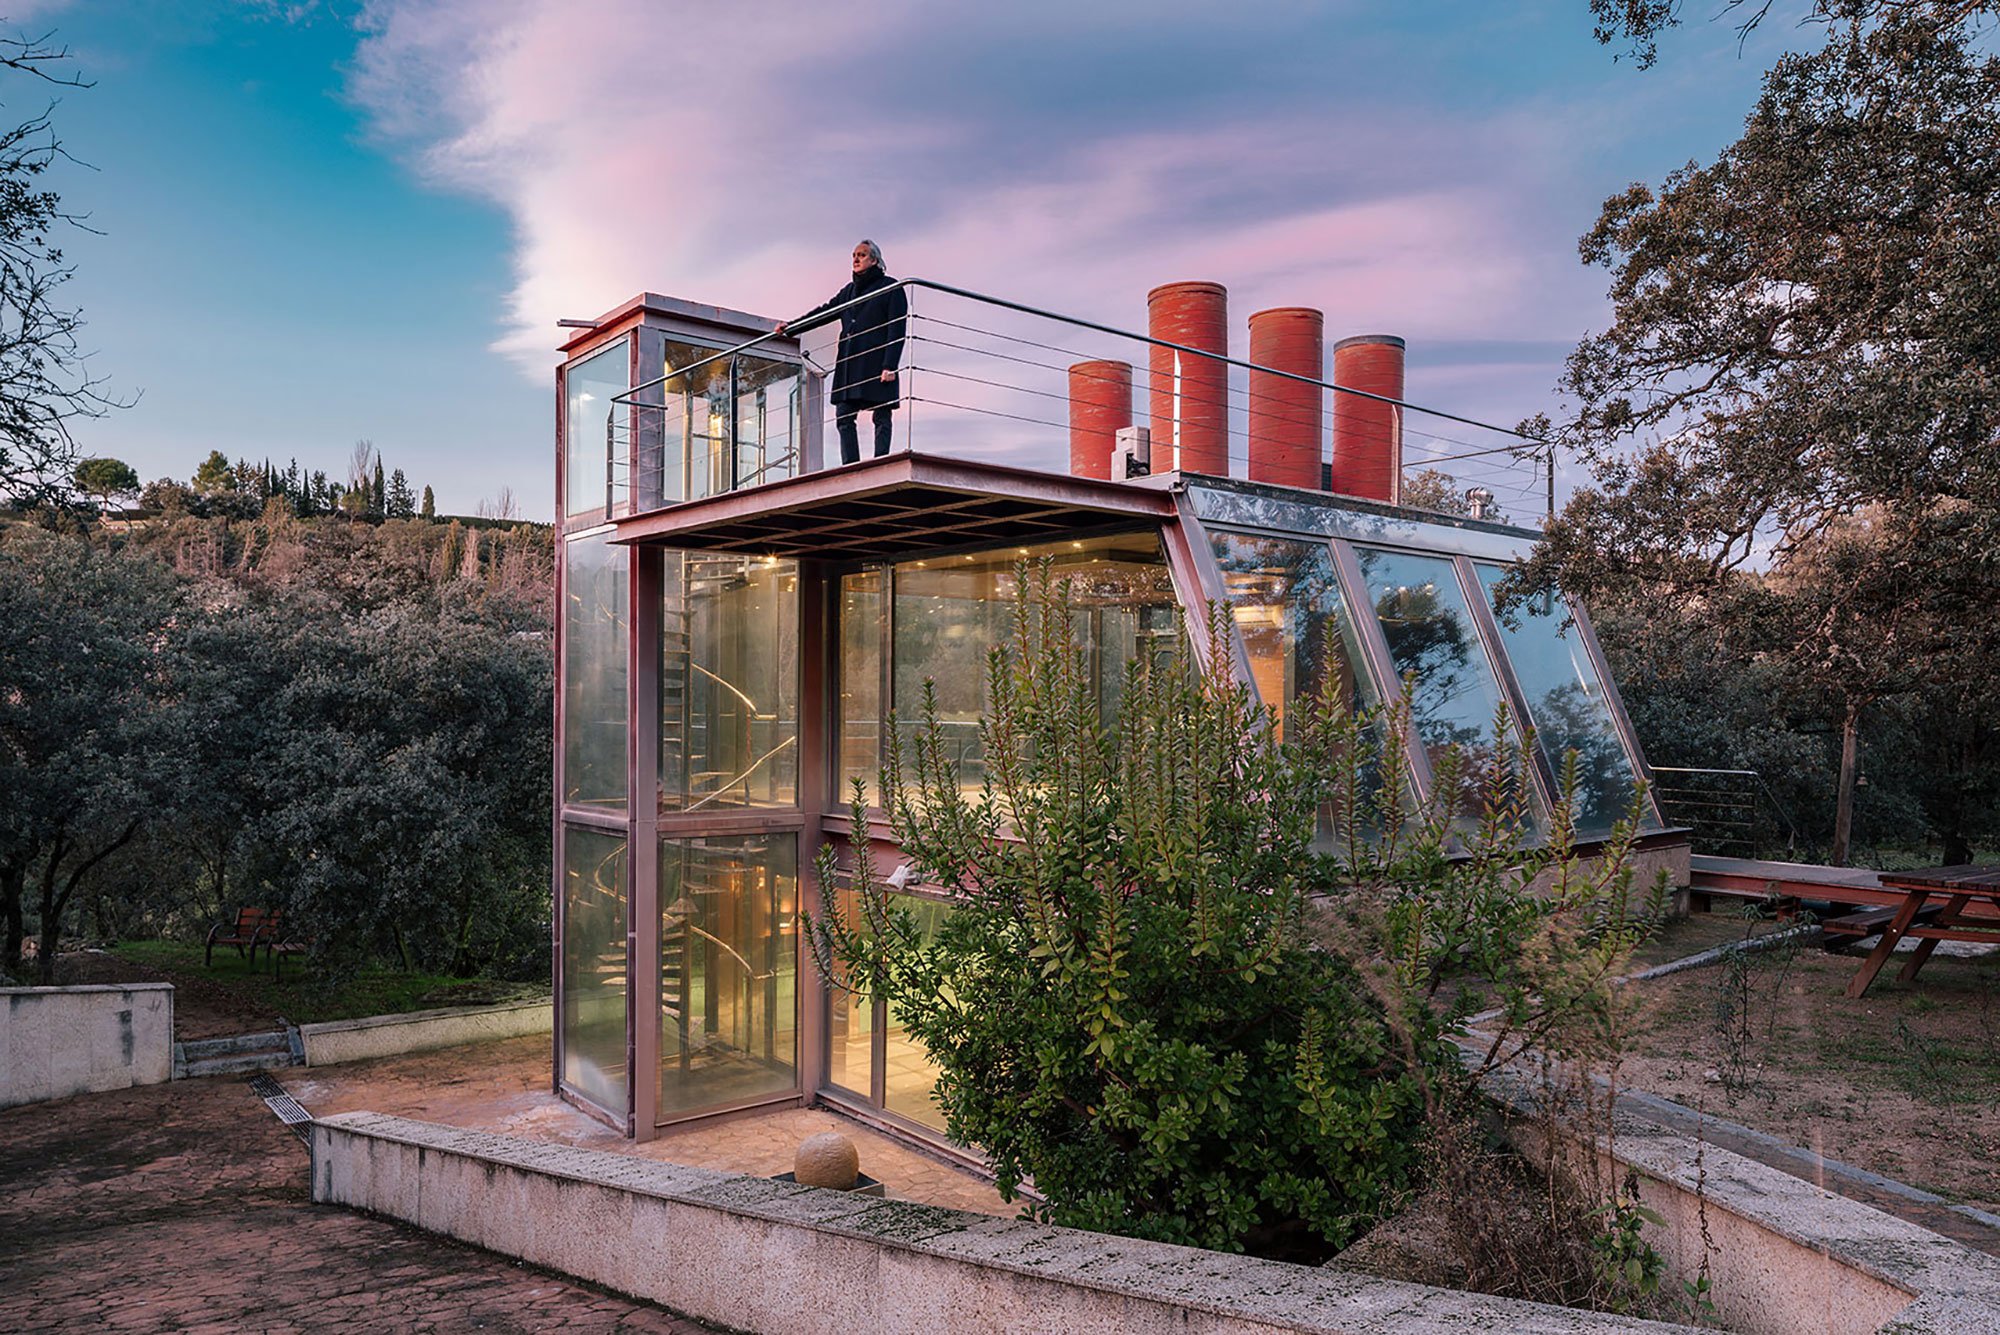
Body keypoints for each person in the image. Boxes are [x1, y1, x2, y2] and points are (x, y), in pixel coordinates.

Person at [778, 240, 908, 465]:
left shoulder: (891, 288)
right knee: (844, 416)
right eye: (854, 255)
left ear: (874, 260)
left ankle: (880, 463)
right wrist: (792, 327)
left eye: (862, 255)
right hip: (850, 362)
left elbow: (897, 329)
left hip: (876, 361)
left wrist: (890, 365)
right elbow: (825, 312)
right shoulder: (848, 291)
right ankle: (851, 465)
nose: (856, 259)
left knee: (881, 414)